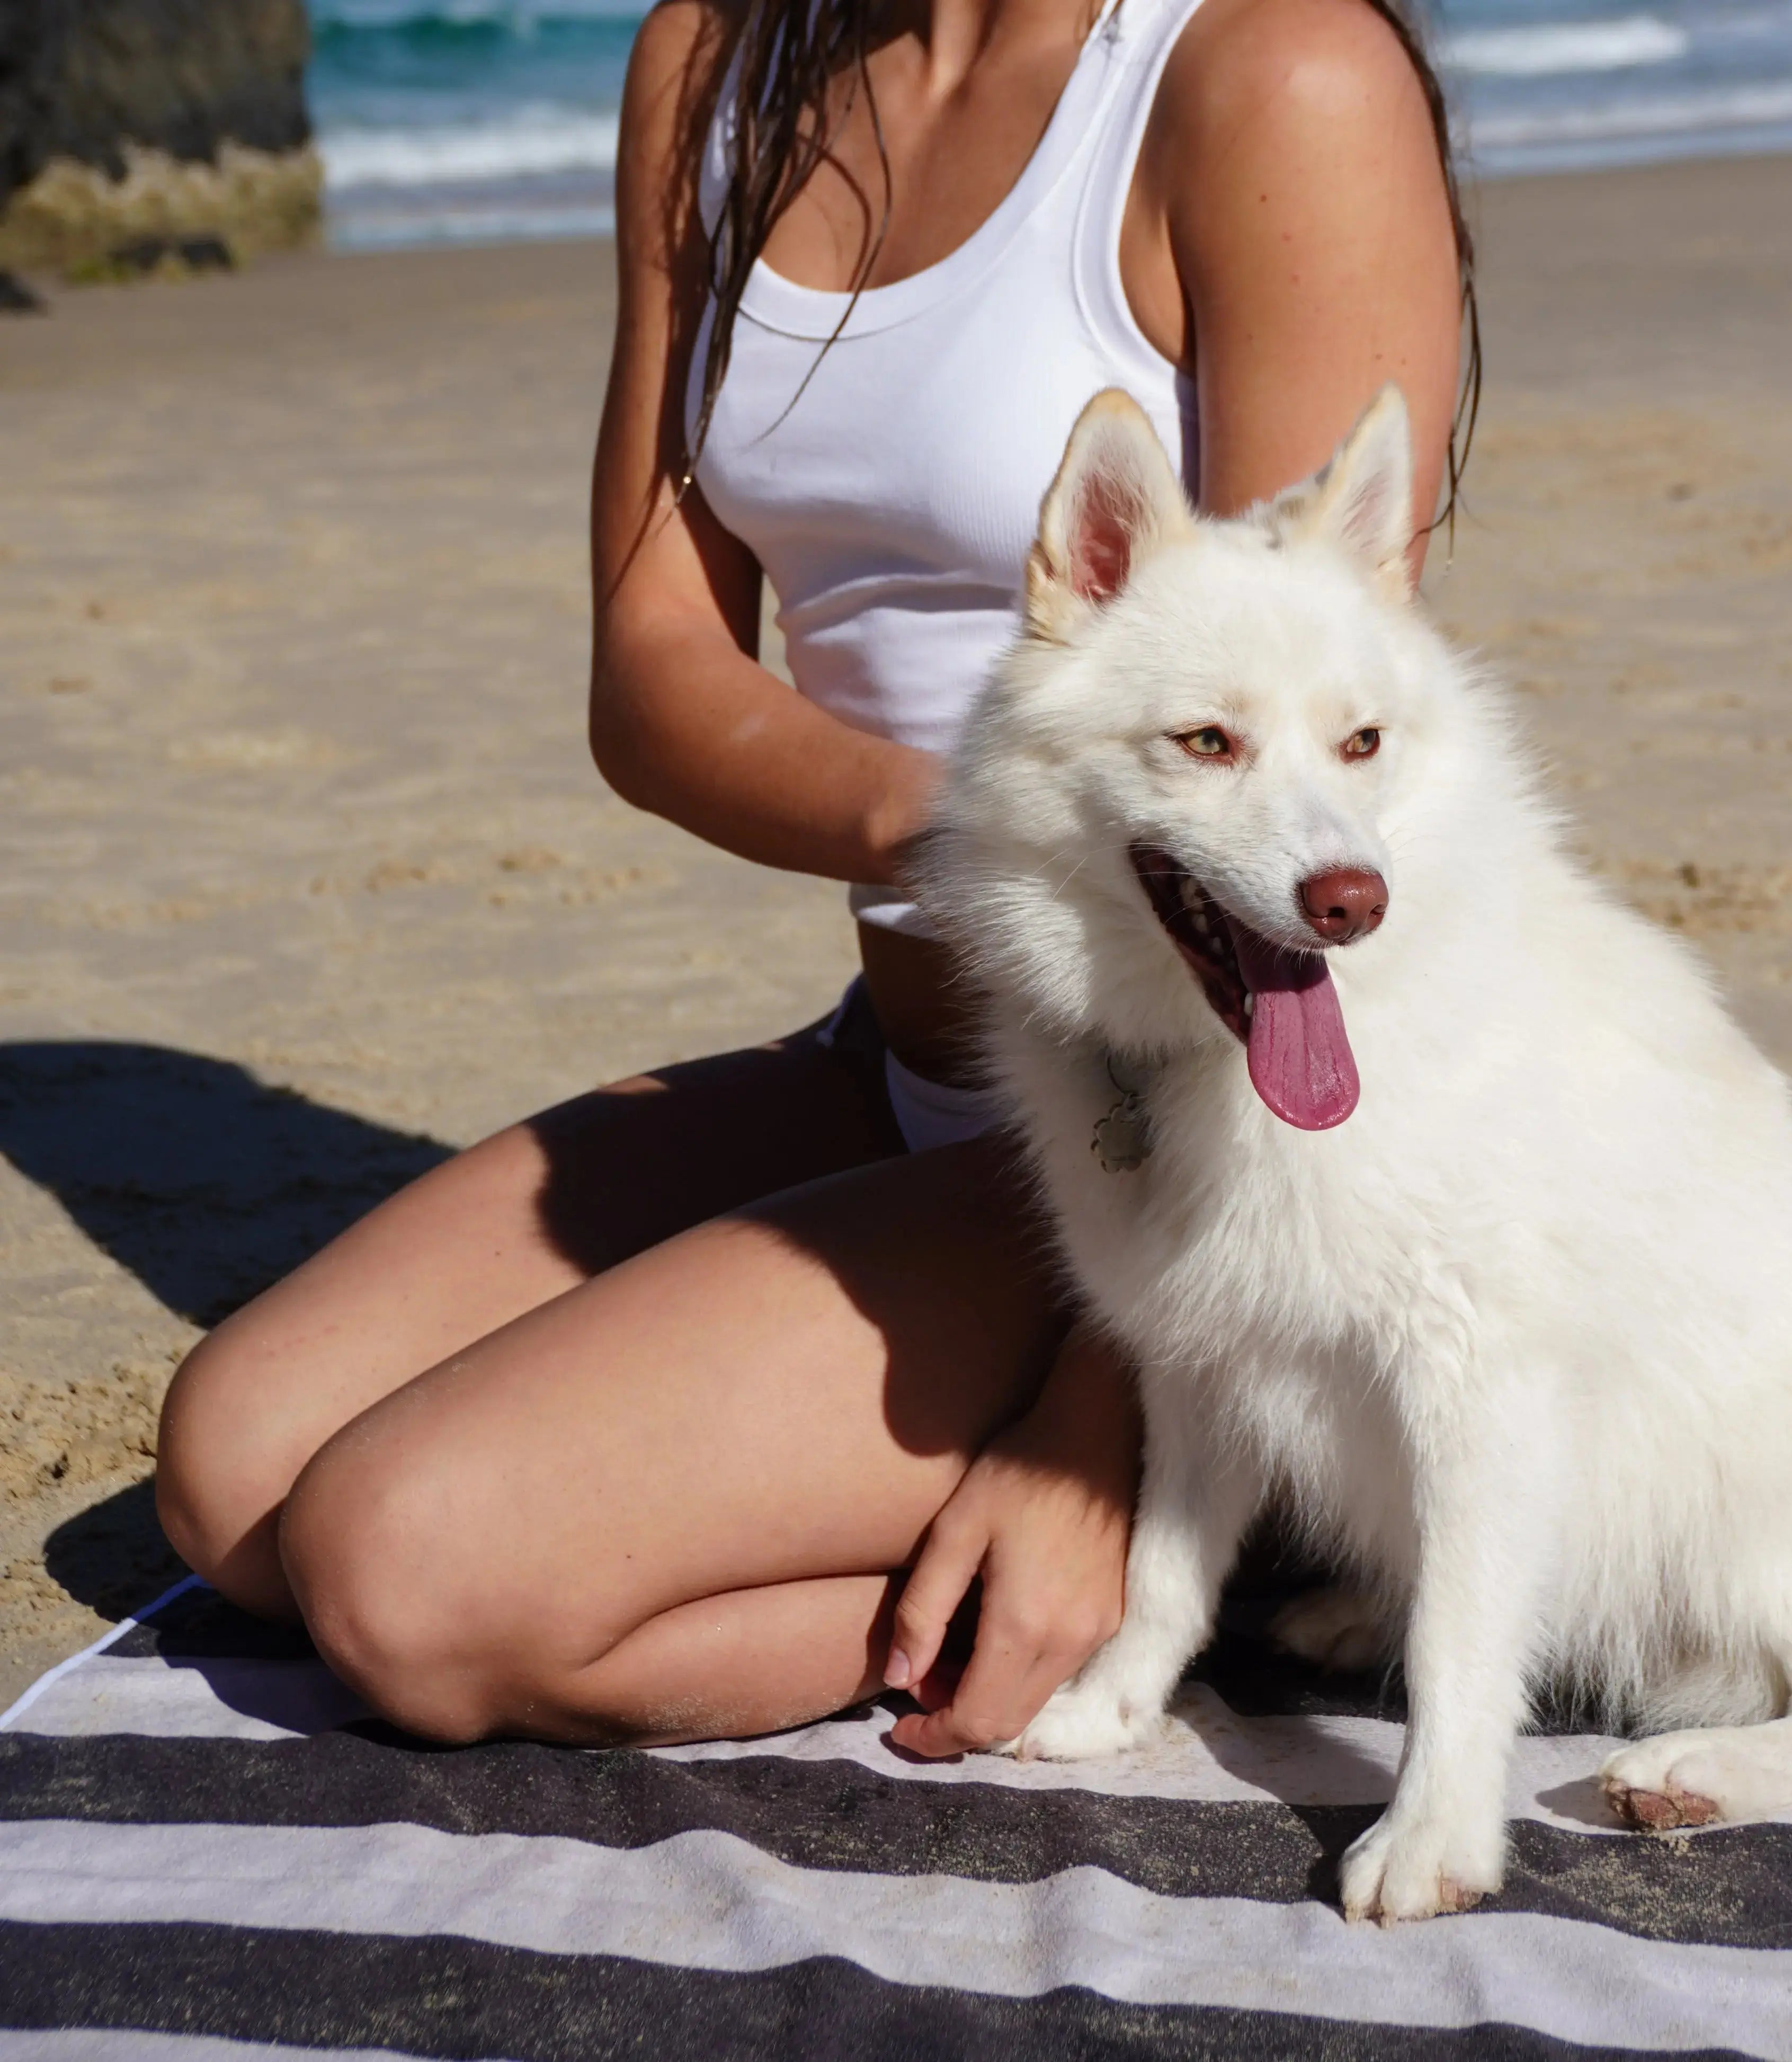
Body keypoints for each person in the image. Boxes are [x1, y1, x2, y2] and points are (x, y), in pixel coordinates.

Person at [154, 0, 1471, 1758]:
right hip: (907, 1062)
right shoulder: (717, 61)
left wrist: (1111, 1430)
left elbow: (1320, 787)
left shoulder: (1268, 74)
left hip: (1185, 1165)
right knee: (236, 1473)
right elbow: (653, 664)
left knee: (405, 1577)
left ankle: (1234, 1533)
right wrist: (966, 827)